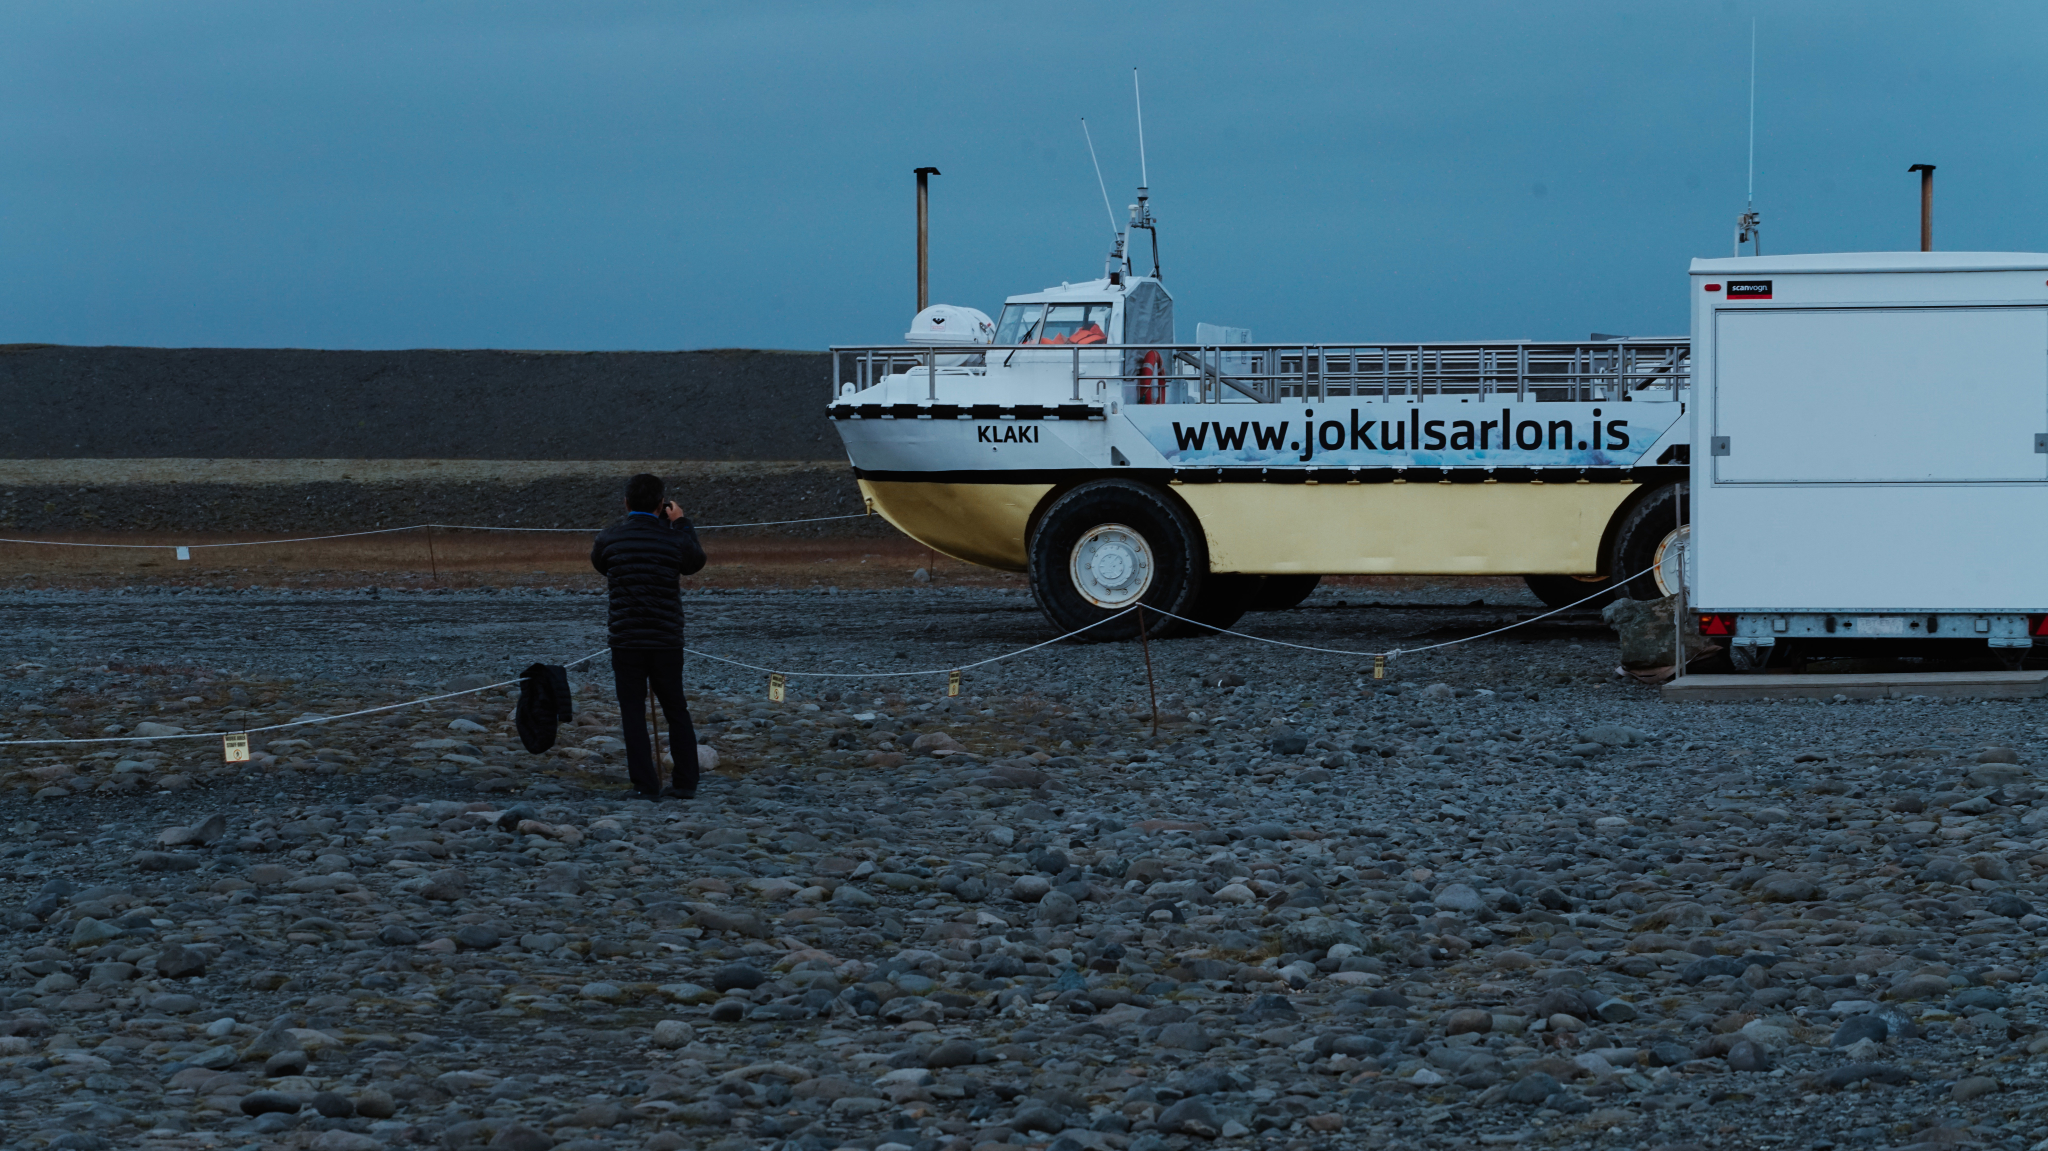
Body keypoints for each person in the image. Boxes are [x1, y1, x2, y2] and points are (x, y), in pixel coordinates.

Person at [590, 473, 707, 799]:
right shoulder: (674, 539)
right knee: (675, 709)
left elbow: (601, 565)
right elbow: (695, 561)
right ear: (661, 505)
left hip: (626, 640)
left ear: (626, 503)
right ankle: (685, 783)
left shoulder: (609, 539)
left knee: (632, 711)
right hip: (666, 639)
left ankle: (644, 784)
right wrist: (682, 522)